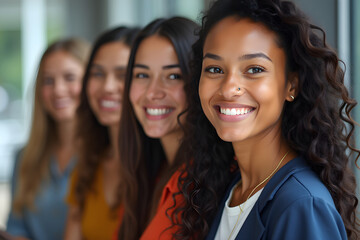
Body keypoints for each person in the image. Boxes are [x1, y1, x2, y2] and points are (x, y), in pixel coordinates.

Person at [172, 0, 360, 239]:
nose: (229, 89)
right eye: (215, 69)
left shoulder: (302, 206)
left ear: (291, 84)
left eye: (254, 69)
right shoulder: (235, 189)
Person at [115, 17, 198, 240]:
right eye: (142, 75)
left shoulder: (201, 184)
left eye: (173, 76)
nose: (153, 92)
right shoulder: (147, 173)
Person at [6, 38, 90, 240]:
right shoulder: (25, 157)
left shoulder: (107, 156)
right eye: (48, 81)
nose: (58, 90)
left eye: (70, 77)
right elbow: (16, 226)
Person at [64, 26, 139, 240]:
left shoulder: (159, 168)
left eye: (122, 75)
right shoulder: (87, 165)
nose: (107, 86)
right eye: (98, 73)